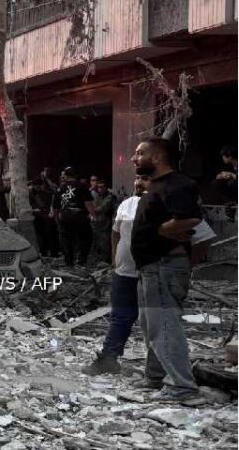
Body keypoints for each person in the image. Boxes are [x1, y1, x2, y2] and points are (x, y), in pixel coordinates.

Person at [83, 175, 217, 377]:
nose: (138, 183)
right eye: (136, 178)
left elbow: (204, 238)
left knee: (158, 323)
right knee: (120, 316)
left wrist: (186, 266)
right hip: (125, 272)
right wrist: (114, 258)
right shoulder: (127, 204)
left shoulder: (172, 207)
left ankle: (161, 373)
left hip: (156, 273)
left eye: (144, 178)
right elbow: (115, 233)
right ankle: (109, 358)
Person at [129, 137, 205, 404]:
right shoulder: (157, 186)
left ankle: (182, 388)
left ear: (158, 157)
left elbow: (191, 217)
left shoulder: (176, 184)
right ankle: (156, 377)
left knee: (164, 325)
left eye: (139, 153)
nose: (134, 158)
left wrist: (161, 230)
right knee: (152, 325)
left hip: (163, 266)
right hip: (152, 267)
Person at [55, 167, 96, 267]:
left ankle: (69, 262)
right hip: (80, 217)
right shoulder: (82, 186)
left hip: (64, 217)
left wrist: (57, 218)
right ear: (75, 175)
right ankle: (81, 260)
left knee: (66, 240)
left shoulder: (61, 187)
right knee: (85, 238)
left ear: (66, 175)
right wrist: (93, 214)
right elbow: (88, 203)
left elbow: (56, 206)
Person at [90, 175, 119, 264]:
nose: (100, 189)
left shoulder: (109, 196)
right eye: (99, 187)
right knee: (95, 243)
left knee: (105, 244)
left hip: (105, 224)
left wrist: (91, 211)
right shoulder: (95, 195)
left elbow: (103, 208)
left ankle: (105, 261)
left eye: (102, 187)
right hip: (95, 223)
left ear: (106, 187)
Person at [28, 178, 60, 258]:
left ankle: (48, 252)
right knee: (43, 235)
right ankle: (44, 252)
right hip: (35, 216)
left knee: (49, 233)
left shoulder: (43, 192)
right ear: (33, 185)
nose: (38, 187)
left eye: (39, 186)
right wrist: (33, 209)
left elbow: (48, 200)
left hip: (44, 215)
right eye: (36, 186)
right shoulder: (29, 193)